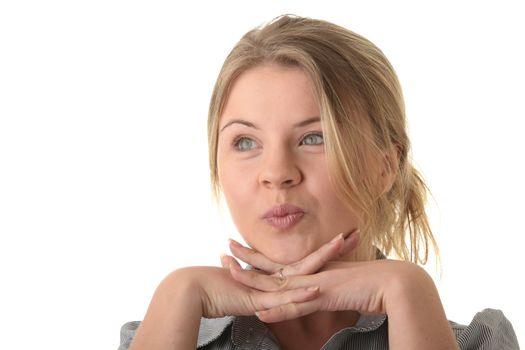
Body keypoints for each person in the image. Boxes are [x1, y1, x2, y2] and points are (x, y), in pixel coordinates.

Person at [119, 15, 519, 350]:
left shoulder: (479, 344)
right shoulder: (170, 328)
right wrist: (179, 291)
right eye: (245, 142)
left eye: (314, 137)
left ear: (385, 166)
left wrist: (407, 288)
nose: (276, 173)